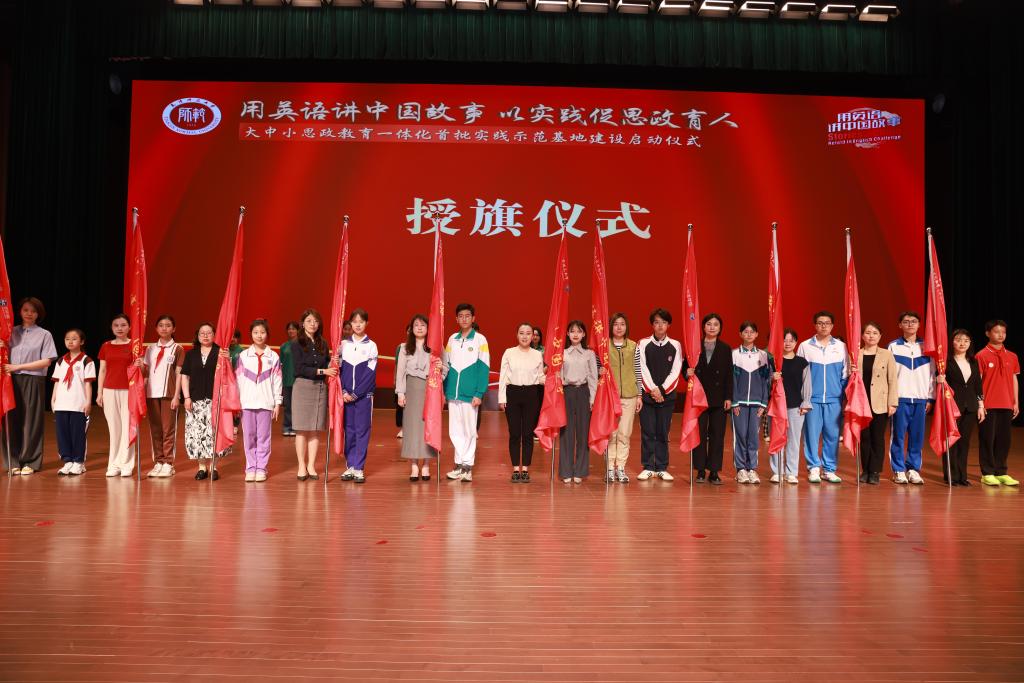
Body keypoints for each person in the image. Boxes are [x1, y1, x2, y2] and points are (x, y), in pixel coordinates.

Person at [1, 297, 58, 475]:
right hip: (10, 379)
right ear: (20, 311)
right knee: (9, 418)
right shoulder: (10, 332)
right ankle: (12, 460)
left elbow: (46, 361)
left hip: (33, 380)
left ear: (38, 314)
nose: (29, 314)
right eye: (26, 310)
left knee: (31, 421)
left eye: (33, 311)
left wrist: (18, 367)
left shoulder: (44, 334)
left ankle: (30, 461)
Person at [798, 311, 848, 484]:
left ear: (832, 326)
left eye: (827, 323)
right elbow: (800, 373)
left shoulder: (841, 347)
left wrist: (840, 394)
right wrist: (804, 398)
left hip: (834, 399)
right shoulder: (805, 346)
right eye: (820, 323)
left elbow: (845, 373)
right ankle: (813, 468)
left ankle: (829, 469)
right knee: (811, 435)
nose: (823, 326)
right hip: (812, 400)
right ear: (815, 325)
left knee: (832, 436)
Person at [683, 313, 732, 485]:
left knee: (717, 435)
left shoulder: (725, 348)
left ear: (720, 328)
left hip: (719, 399)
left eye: (715, 324)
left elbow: (729, 374)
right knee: (700, 434)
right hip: (699, 398)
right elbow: (685, 368)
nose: (712, 327)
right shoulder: (694, 346)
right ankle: (700, 470)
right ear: (703, 327)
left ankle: (714, 471)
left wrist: (728, 397)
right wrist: (687, 373)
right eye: (709, 324)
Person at [443, 303, 490, 483]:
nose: (464, 319)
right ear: (456, 319)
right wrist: (444, 390)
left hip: (470, 395)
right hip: (452, 394)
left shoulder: (480, 340)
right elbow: (446, 366)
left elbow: (484, 368)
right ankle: (458, 465)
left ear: (473, 318)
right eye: (461, 316)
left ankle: (467, 467)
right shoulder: (452, 340)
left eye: (467, 316)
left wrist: (479, 393)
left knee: (469, 431)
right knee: (455, 431)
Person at [887, 311, 935, 485]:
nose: (910, 324)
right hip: (900, 399)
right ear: (900, 325)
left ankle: (913, 469)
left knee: (917, 437)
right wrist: (891, 399)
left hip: (921, 400)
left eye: (913, 321)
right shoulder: (893, 346)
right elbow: (888, 375)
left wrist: (930, 398)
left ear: (919, 325)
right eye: (906, 321)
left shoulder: (927, 347)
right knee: (898, 437)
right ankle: (899, 470)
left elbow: (932, 374)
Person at [635, 308, 682, 481]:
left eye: (663, 322)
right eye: (656, 322)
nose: (660, 326)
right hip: (648, 396)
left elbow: (676, 371)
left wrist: (661, 390)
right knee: (648, 431)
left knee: (663, 432)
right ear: (652, 325)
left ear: (668, 325)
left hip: (666, 397)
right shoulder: (643, 344)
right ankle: (648, 466)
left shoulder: (676, 345)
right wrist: (653, 390)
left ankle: (662, 467)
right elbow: (641, 369)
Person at [396, 314, 443, 481]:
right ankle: (414, 465)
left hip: (430, 389)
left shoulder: (436, 346)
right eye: (416, 325)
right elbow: (400, 372)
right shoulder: (404, 347)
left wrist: (440, 368)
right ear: (411, 328)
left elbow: (445, 368)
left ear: (428, 328)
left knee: (427, 426)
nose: (420, 328)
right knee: (412, 428)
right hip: (411, 389)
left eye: (423, 325)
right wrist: (400, 393)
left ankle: (426, 465)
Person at [180, 323, 230, 479]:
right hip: (195, 400)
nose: (206, 336)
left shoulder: (220, 352)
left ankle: (214, 466)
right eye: (202, 333)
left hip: (215, 400)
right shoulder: (191, 354)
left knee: (214, 434)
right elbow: (185, 377)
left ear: (214, 335)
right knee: (197, 434)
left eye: (209, 333)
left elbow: (228, 375)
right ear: (198, 335)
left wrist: (228, 359)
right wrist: (186, 397)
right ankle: (202, 467)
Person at [291, 309, 335, 481]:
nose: (313, 324)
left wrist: (332, 363)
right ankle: (301, 465)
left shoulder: (322, 343)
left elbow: (327, 363)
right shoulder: (296, 343)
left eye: (316, 321)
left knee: (316, 429)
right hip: (303, 387)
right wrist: (323, 371)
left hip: (320, 388)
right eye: (309, 321)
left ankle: (311, 465)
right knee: (302, 430)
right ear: (303, 323)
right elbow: (299, 368)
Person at [236, 319, 282, 482]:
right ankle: (250, 468)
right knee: (248, 437)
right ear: (251, 334)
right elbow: (238, 380)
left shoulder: (273, 356)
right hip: (246, 403)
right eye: (256, 332)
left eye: (262, 332)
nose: (259, 335)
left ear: (267, 334)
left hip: (265, 403)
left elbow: (277, 380)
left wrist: (277, 402)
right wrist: (237, 402)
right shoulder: (243, 356)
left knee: (263, 437)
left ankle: (261, 467)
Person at [498, 322, 544, 483]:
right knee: (515, 433)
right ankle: (515, 469)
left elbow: (540, 377)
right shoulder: (509, 352)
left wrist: (554, 378)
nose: (525, 336)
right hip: (513, 394)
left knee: (528, 433)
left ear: (533, 336)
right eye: (522, 333)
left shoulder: (537, 354)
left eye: (528, 333)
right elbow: (503, 376)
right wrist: (502, 398)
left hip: (532, 394)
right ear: (517, 335)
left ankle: (525, 469)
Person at [975, 320, 1019, 486]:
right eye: (996, 331)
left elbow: (1014, 379)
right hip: (988, 405)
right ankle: (987, 472)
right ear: (988, 333)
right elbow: (977, 382)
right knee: (987, 438)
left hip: (1006, 404)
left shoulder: (1012, 356)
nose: (1000, 335)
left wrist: (1015, 402)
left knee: (1004, 440)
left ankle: (1001, 472)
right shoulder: (981, 355)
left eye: (1003, 332)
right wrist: (980, 403)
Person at [142, 315, 184, 478]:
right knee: (156, 430)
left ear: (174, 329)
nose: (164, 328)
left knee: (168, 430)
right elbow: (146, 374)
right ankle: (158, 462)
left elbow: (179, 374)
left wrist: (177, 396)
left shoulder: (177, 349)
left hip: (169, 394)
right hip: (151, 394)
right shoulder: (150, 349)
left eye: (168, 325)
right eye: (161, 325)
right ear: (156, 329)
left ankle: (168, 463)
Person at [338, 308, 377, 484]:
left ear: (367, 323)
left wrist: (355, 393)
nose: (358, 325)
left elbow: (370, 374)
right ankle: (350, 466)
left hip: (363, 397)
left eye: (361, 322)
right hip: (346, 397)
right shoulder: (343, 345)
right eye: (354, 322)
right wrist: (344, 391)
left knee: (362, 431)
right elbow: (339, 371)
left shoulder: (371, 346)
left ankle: (359, 467)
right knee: (350, 431)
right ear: (350, 324)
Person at [857, 322, 899, 485]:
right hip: (862, 403)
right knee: (864, 437)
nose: (871, 336)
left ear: (880, 336)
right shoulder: (856, 354)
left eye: (875, 333)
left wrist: (892, 403)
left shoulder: (886, 354)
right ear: (862, 336)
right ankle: (865, 470)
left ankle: (874, 471)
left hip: (880, 402)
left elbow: (892, 380)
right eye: (868, 332)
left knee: (877, 437)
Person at [732, 321, 772, 484]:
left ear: (756, 335)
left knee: (753, 437)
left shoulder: (763, 355)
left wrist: (763, 403)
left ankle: (752, 469)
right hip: (739, 404)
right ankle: (741, 469)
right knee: (740, 435)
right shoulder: (734, 354)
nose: (749, 334)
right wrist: (734, 402)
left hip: (757, 405)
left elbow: (766, 381)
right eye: (745, 332)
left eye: (752, 332)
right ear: (740, 334)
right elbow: (732, 380)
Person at [51, 329, 94, 476]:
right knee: (62, 434)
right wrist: (53, 398)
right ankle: (67, 461)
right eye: (67, 338)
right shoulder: (61, 361)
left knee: (77, 434)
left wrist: (88, 402)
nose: (70, 341)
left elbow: (88, 384)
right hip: (62, 403)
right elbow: (57, 381)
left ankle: (79, 462)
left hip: (78, 404)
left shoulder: (86, 361)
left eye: (74, 339)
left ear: (82, 342)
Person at [945, 328, 985, 486]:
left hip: (971, 407)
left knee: (965, 442)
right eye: (958, 340)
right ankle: (951, 475)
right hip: (952, 406)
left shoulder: (973, 361)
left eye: (966, 341)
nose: (962, 343)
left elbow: (977, 385)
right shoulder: (946, 362)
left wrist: (981, 405)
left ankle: (962, 476)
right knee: (952, 441)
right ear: (952, 342)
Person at [559, 320, 597, 483]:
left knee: (583, 433)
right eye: (572, 331)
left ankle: (580, 471)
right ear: (567, 334)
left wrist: (592, 398)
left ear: (583, 334)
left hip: (583, 392)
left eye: (579, 331)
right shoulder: (562, 353)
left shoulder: (589, 354)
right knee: (566, 432)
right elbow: (559, 376)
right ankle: (566, 471)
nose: (575, 334)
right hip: (567, 392)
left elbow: (593, 377)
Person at [770, 328, 810, 484]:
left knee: (794, 440)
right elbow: (765, 381)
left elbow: (807, 384)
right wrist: (772, 377)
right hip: (777, 406)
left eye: (791, 340)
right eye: (784, 340)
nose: (787, 343)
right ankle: (777, 471)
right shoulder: (774, 361)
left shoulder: (802, 362)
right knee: (776, 438)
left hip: (796, 406)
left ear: (796, 342)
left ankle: (791, 472)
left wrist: (805, 403)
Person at [97, 314, 135, 478]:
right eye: (116, 325)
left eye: (123, 325)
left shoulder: (135, 345)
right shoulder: (106, 346)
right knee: (114, 429)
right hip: (109, 390)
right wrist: (99, 392)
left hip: (129, 390)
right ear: (112, 328)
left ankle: (126, 464)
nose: (120, 328)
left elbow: (141, 370)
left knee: (127, 427)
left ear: (129, 327)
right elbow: (102, 370)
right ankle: (113, 464)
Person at [607, 313, 640, 483]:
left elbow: (638, 371)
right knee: (611, 434)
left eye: (622, 324)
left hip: (629, 395)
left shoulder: (634, 346)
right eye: (616, 324)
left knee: (624, 434)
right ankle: (609, 468)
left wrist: (639, 394)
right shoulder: (604, 346)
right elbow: (598, 370)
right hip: (609, 396)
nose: (619, 327)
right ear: (610, 326)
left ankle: (620, 467)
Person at [279, 321, 299, 437]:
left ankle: (296, 427)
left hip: (298, 380)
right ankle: (287, 427)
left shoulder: (302, 345)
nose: (291, 331)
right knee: (287, 405)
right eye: (289, 329)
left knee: (297, 406)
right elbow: (280, 364)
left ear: (298, 330)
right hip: (286, 379)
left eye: (293, 329)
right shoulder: (284, 346)